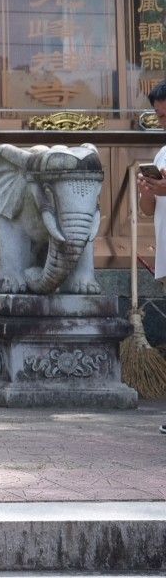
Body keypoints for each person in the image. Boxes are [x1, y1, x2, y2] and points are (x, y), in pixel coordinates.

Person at [133, 80, 166, 432]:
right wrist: (148, 189)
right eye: (159, 116)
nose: (162, 121)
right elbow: (148, 209)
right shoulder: (161, 154)